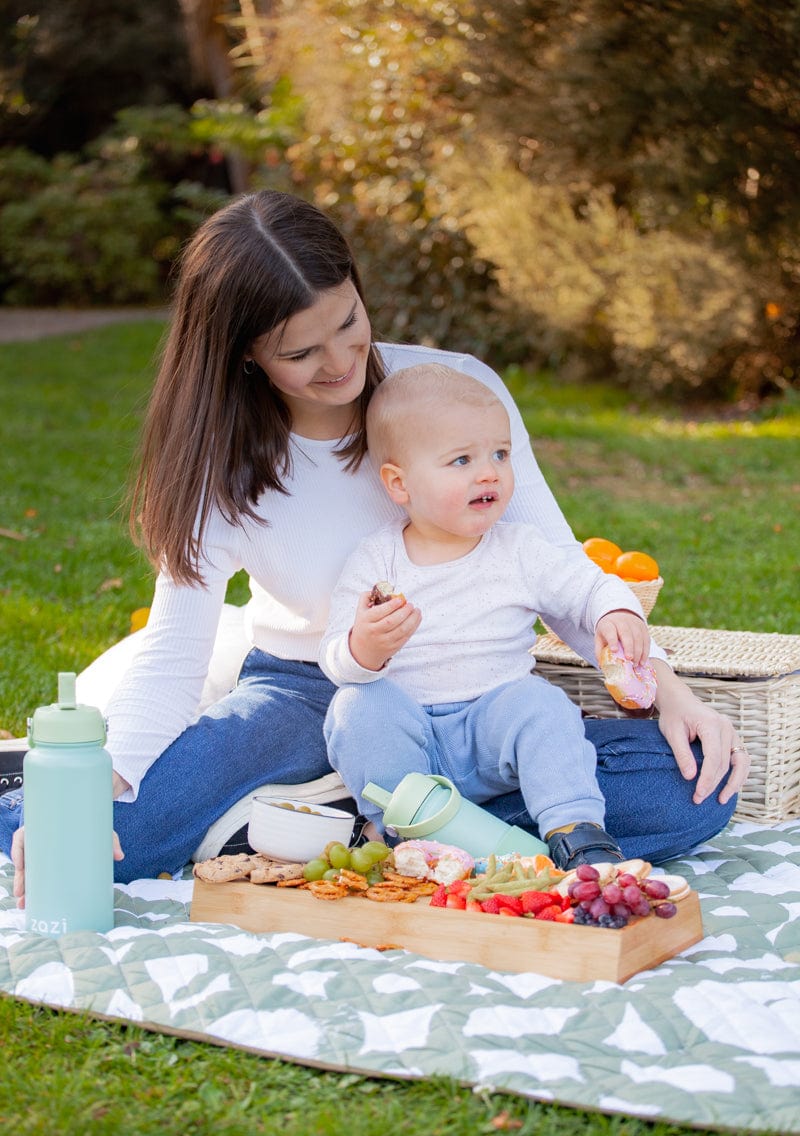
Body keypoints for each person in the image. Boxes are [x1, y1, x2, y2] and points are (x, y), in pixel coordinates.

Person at [1, 188, 749, 896]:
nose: (339, 363)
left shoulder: (454, 390)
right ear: (245, 354)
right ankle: (389, 824)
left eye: (348, 322)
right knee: (105, 834)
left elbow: (555, 570)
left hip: (474, 697)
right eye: (300, 353)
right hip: (305, 695)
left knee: (692, 790)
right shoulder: (219, 469)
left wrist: (669, 693)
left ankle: (360, 829)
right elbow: (171, 659)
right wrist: (91, 793)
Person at [320, 364, 656, 868]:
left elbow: (588, 584)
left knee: (542, 706)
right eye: (461, 460)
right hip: (410, 737)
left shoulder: (520, 549)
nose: (488, 472)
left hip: (494, 726)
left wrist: (615, 609)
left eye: (500, 453)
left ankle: (573, 827)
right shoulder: (377, 559)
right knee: (357, 707)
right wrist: (364, 648)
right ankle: (395, 832)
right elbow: (334, 658)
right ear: (399, 483)